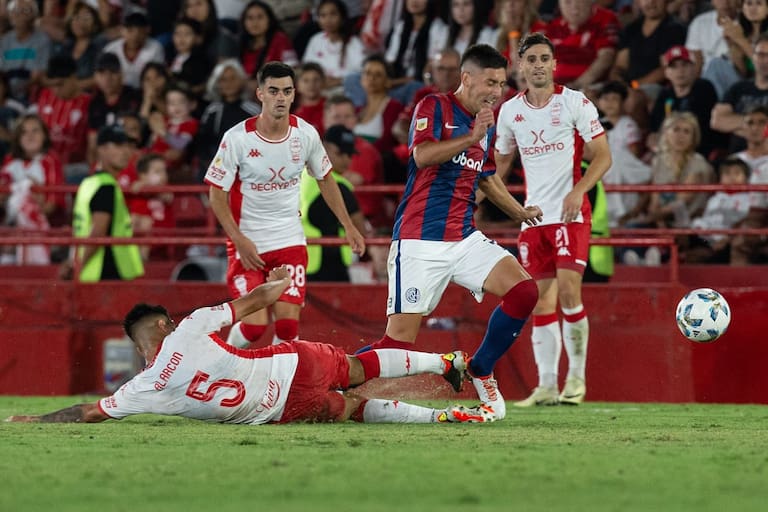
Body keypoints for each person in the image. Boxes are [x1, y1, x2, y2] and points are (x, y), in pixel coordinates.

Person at [6, 266, 494, 424]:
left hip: (278, 407)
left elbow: (88, 412)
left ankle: (443, 416)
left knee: (348, 408)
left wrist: (36, 420)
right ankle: (445, 361)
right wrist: (279, 284)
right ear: (163, 323)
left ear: (140, 344)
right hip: (290, 359)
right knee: (358, 365)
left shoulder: (145, 385)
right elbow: (253, 301)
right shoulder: (193, 325)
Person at [357, 44, 544, 421]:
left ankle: (480, 368)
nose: (496, 91)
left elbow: (487, 179)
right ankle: (330, 375)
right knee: (397, 343)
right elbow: (422, 156)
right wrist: (471, 137)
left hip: (464, 237)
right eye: (490, 82)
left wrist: (519, 211)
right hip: (418, 241)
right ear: (466, 78)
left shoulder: (485, 124)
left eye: (502, 84)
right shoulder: (433, 106)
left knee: (524, 291)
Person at [204, 61, 365, 349]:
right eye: (274, 90)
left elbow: (326, 179)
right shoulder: (237, 138)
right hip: (248, 243)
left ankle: (281, 389)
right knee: (254, 327)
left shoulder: (306, 135)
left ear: (293, 95)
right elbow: (217, 193)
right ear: (260, 94)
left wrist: (348, 226)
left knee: (288, 327)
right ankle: (220, 370)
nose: (281, 97)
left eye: (287, 91)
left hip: (289, 240)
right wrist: (238, 239)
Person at [495, 33, 612, 407]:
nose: (539, 65)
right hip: (532, 219)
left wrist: (579, 191)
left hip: (569, 216)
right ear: (520, 65)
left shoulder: (575, 103)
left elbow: (603, 156)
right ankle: (546, 385)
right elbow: (499, 164)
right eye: (531, 59)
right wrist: (479, 195)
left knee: (567, 292)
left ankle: (576, 379)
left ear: (555, 64)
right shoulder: (509, 112)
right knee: (540, 302)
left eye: (545, 58)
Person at [59, 124, 144, 282]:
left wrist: (75, 263)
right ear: (101, 149)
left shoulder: (89, 183)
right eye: (118, 145)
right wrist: (78, 265)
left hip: (92, 273)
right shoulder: (106, 187)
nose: (125, 152)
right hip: (108, 272)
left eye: (128, 146)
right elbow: (97, 232)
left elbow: (82, 228)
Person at [302, 124, 371, 282]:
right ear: (324, 147)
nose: (346, 160)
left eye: (350, 154)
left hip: (300, 262)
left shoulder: (301, 176)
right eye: (340, 153)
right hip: (329, 265)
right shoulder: (340, 186)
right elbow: (360, 229)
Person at [195, 59, 260, 181]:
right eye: (223, 80)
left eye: (233, 79)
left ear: (241, 81)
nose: (228, 84)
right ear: (217, 83)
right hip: (216, 166)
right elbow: (203, 142)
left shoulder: (253, 111)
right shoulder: (212, 111)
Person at [683, 158, 751, 263]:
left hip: (728, 240)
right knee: (684, 234)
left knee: (729, 248)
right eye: (727, 174)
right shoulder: (714, 199)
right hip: (707, 239)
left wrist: (727, 238)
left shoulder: (749, 200)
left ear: (746, 178)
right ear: (720, 179)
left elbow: (746, 223)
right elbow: (705, 221)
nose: (732, 177)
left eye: (737, 173)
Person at [101, 11, 165, 89]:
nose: (135, 36)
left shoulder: (155, 48)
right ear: (122, 30)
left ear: (147, 30)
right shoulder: (111, 49)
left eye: (140, 31)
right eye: (130, 31)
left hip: (144, 91)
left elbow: (157, 77)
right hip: (117, 92)